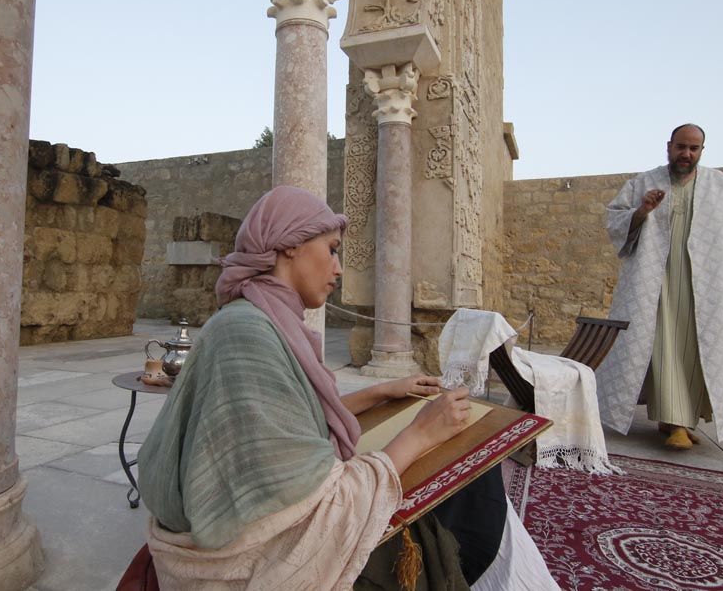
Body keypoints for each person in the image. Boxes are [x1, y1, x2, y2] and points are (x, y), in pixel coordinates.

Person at [129, 186, 557, 590]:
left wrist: (382, 392)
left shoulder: (262, 318)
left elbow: (290, 419)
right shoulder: (247, 334)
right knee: (465, 489)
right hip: (250, 559)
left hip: (262, 527)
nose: (337, 268)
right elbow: (311, 502)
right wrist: (421, 433)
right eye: (331, 250)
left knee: (462, 469)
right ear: (289, 243)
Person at [597, 124, 723, 450]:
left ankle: (677, 420)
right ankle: (675, 423)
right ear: (669, 147)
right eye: (681, 147)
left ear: (701, 151)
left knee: (696, 352)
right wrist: (642, 210)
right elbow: (614, 219)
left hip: (702, 283)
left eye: (694, 149)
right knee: (664, 346)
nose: (687, 154)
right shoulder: (644, 182)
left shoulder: (720, 186)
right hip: (655, 283)